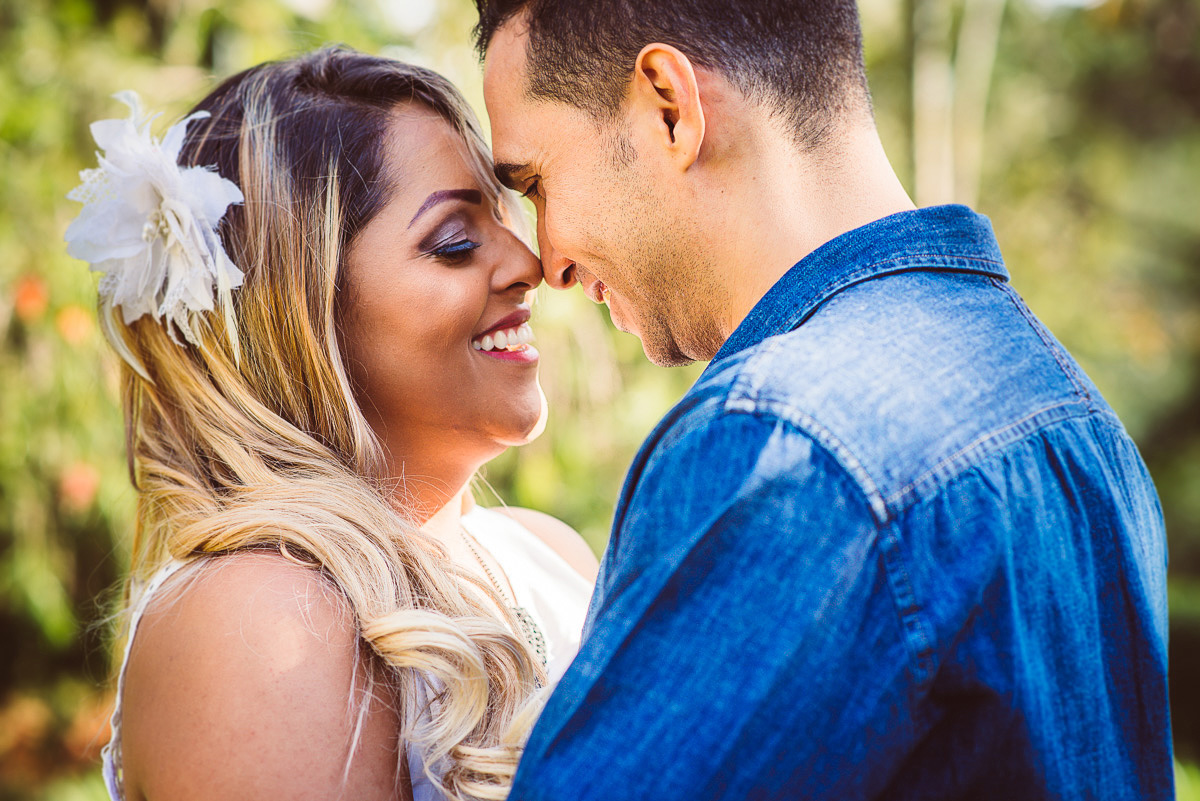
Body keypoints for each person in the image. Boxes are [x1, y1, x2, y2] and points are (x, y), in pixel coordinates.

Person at [473, 1, 1173, 799]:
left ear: (670, 107)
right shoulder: (1074, 415)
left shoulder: (782, 446)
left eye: (536, 183)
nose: (548, 258)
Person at [65, 47, 597, 801]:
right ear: (305, 316)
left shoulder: (550, 552)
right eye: (454, 241)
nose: (527, 263)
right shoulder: (260, 617)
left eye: (505, 216)